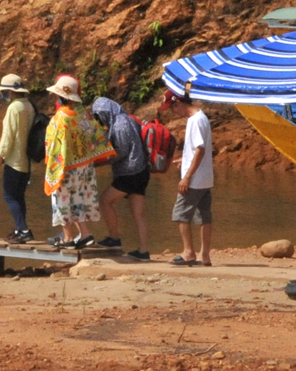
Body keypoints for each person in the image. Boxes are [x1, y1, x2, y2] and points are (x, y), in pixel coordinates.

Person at [43, 75, 115, 249]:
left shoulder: (60, 118)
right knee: (79, 199)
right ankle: (85, 233)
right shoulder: (83, 114)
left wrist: (52, 167)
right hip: (84, 165)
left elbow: (53, 146)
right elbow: (96, 135)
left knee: (62, 201)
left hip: (66, 166)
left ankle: (67, 237)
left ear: (61, 97)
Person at [91, 97, 152, 260]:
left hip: (129, 172)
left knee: (104, 201)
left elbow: (122, 151)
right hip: (142, 171)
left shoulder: (119, 124)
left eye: (99, 115)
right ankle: (144, 251)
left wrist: (101, 162)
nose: (99, 120)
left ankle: (114, 238)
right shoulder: (129, 120)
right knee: (138, 214)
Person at [161, 88, 214, 267]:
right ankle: (205, 255)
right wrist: (184, 160)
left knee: (181, 214)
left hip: (195, 179)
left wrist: (187, 176)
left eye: (172, 107)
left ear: (179, 103)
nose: (173, 112)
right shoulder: (201, 117)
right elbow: (197, 150)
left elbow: (200, 149)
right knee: (204, 215)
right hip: (205, 177)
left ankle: (188, 252)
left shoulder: (195, 120)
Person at [0, 74, 34, 243]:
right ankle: (19, 229)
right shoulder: (29, 105)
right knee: (19, 196)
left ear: (9, 92)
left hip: (15, 159)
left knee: (9, 196)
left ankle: (23, 229)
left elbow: (8, 136)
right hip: (27, 160)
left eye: (5, 92)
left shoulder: (14, 108)